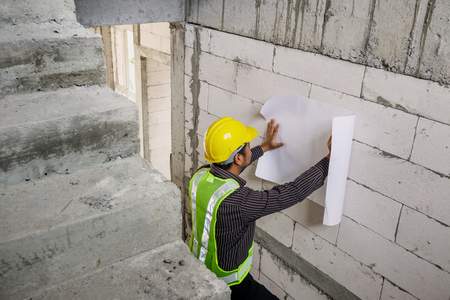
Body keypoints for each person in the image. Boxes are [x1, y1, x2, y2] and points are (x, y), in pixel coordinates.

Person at [188, 116, 331, 300]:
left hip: (198, 270)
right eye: (247, 144)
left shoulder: (200, 176)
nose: (250, 146)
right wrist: (329, 159)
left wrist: (264, 147)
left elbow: (237, 162)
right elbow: (291, 192)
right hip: (230, 286)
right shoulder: (238, 202)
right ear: (238, 157)